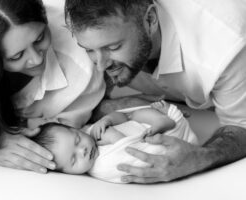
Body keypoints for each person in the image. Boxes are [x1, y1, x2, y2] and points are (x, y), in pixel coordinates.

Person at [64, 0, 246, 183]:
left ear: (150, 20)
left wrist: (200, 157)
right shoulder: (88, 37)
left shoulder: (225, 46)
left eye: (113, 48)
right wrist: (113, 107)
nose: (101, 65)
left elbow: (242, 125)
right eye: (88, 50)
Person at [0, 0, 105, 173]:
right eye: (17, 56)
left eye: (39, 38)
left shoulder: (81, 67)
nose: (36, 59)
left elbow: (73, 143)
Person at [33, 101, 198, 183]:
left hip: (146, 125)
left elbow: (123, 117)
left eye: (77, 139)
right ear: (67, 173)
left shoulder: (91, 132)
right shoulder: (101, 166)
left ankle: (163, 120)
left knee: (135, 114)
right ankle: (165, 122)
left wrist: (106, 120)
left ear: (77, 130)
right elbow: (131, 153)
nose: (82, 150)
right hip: (160, 140)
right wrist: (112, 136)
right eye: (74, 159)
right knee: (138, 118)